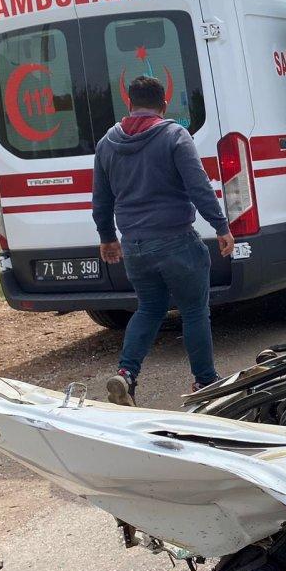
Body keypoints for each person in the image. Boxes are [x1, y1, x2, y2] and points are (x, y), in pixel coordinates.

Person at [92, 75, 234, 406]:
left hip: (134, 246)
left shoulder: (107, 144)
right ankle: (205, 382)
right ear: (164, 105)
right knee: (194, 310)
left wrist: (107, 237)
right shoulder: (174, 136)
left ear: (129, 103)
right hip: (176, 241)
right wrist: (221, 226)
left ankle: (126, 374)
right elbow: (198, 186)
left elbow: (101, 199)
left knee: (149, 308)